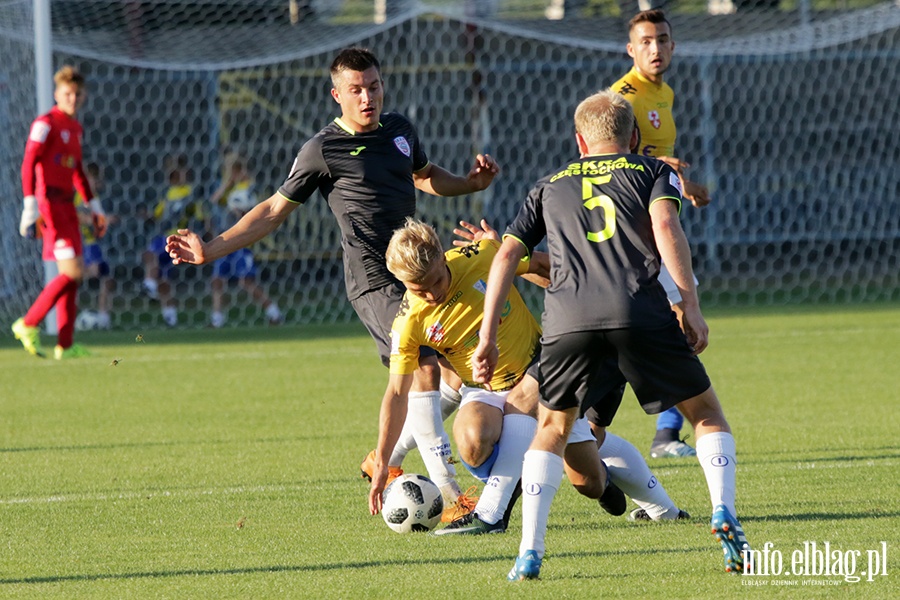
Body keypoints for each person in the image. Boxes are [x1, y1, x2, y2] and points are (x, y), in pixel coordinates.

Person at [165, 47, 499, 517]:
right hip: (373, 281)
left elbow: (424, 177)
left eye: (374, 87)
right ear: (336, 94)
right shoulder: (322, 150)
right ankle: (450, 497)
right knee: (422, 368)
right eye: (356, 90)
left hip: (418, 273)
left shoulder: (400, 130)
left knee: (453, 375)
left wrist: (471, 184)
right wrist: (211, 249)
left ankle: (385, 458)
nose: (368, 98)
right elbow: (272, 211)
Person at [474, 90, 748, 580]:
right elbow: (666, 225)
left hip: (567, 321)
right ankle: (723, 512)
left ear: (580, 141)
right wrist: (690, 303)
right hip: (637, 311)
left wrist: (487, 337)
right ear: (635, 138)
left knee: (552, 430)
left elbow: (505, 257)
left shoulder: (548, 185)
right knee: (704, 413)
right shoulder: (651, 171)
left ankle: (529, 551)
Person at [369, 218, 689, 536]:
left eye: (436, 281)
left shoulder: (481, 256)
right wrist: (384, 459)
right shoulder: (408, 322)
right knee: (474, 443)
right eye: (418, 289)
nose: (431, 294)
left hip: (542, 364)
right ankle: (631, 495)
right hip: (485, 387)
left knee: (523, 408)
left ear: (442, 257)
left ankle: (492, 514)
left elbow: (547, 268)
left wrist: (604, 292)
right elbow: (397, 394)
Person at [611, 9, 710, 458]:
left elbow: (655, 159)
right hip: (633, 232)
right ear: (631, 49)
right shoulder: (622, 97)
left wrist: (681, 185)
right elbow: (610, 160)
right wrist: (660, 169)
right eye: (646, 41)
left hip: (656, 223)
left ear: (673, 45)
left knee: (675, 324)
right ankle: (666, 433)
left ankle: (667, 431)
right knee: (677, 323)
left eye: (663, 39)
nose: (656, 48)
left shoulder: (663, 92)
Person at [13, 65, 107, 359]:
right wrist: (30, 207)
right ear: (57, 94)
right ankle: (28, 323)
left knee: (74, 274)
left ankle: (65, 345)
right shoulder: (45, 123)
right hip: (49, 206)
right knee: (73, 272)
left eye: (77, 94)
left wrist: (95, 207)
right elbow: (29, 162)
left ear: (84, 96)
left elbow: (78, 171)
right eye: (67, 93)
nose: (73, 98)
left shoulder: (75, 128)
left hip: (68, 205)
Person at [208, 152, 283, 328]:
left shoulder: (251, 187)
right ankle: (217, 321)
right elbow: (214, 200)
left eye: (236, 170)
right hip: (226, 240)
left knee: (246, 281)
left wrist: (242, 213)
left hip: (242, 242)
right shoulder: (231, 189)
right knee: (217, 279)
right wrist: (227, 184)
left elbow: (256, 211)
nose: (235, 174)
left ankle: (275, 313)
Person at [142, 153, 206, 327]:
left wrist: (203, 223)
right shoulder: (169, 193)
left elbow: (199, 214)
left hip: (178, 237)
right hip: (166, 235)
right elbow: (158, 213)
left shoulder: (190, 192)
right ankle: (171, 317)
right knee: (163, 279)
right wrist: (148, 215)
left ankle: (148, 284)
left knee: (151, 253)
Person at [76, 162, 117, 329]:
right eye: (94, 179)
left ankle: (103, 316)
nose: (98, 182)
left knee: (107, 278)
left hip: (93, 244)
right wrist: (104, 220)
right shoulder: (80, 197)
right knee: (90, 273)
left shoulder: (95, 198)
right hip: (83, 244)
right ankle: (71, 315)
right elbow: (79, 217)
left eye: (98, 179)